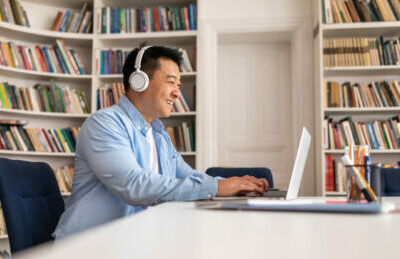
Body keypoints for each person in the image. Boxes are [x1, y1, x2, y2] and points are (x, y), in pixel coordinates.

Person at [53, 46, 269, 239]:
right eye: (171, 82)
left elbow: (189, 176)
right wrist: (217, 187)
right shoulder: (104, 124)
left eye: (179, 84)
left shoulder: (158, 134)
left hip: (133, 241)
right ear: (139, 81)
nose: (177, 92)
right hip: (89, 246)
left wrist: (236, 185)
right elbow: (133, 185)